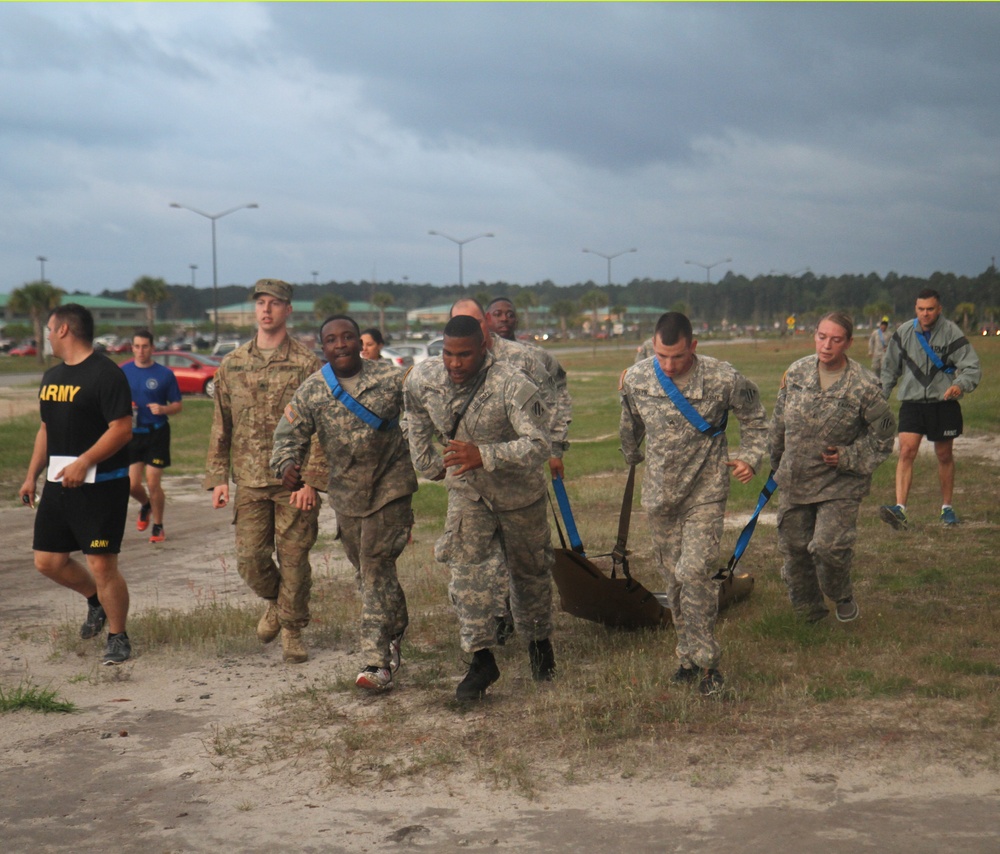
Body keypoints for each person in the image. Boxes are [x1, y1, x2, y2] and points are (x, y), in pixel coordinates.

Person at [403, 315, 556, 701]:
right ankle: (481, 659)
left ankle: (539, 644)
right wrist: (426, 462)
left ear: (483, 349)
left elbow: (540, 443)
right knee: (466, 573)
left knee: (530, 575)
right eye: (448, 354)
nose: (455, 363)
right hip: (469, 493)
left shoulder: (512, 383)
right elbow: (415, 411)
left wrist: (484, 454)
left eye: (465, 355)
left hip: (520, 495)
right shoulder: (425, 379)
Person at [619, 311, 767, 695]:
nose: (668, 366)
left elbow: (754, 417)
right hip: (660, 497)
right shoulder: (637, 378)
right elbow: (630, 426)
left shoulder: (723, 378)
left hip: (705, 492)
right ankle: (685, 655)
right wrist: (630, 454)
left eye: (678, 357)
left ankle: (707, 665)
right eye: (661, 356)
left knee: (693, 573)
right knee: (672, 579)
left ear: (694, 347)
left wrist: (750, 456)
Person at [271, 315, 416, 691]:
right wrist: (287, 465)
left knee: (374, 567)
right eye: (332, 340)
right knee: (369, 572)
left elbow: (429, 407)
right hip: (348, 495)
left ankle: (376, 662)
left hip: (391, 486)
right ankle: (396, 627)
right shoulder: (313, 390)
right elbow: (287, 436)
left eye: (348, 337)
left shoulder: (391, 377)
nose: (340, 345)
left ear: (360, 343)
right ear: (324, 347)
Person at [204, 279, 326, 663]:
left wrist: (311, 480)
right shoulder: (233, 363)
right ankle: (276, 603)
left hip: (293, 481)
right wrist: (218, 478)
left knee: (294, 559)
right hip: (251, 478)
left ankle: (292, 630)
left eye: (275, 303)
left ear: (289, 310)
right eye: (261, 303)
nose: (267, 309)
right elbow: (221, 423)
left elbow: (322, 426)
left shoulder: (308, 364)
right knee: (250, 559)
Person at [18, 304, 134, 665]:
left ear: (65, 329)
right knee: (48, 561)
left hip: (101, 485)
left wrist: (85, 461)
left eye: (50, 329)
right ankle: (95, 601)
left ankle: (118, 636)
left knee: (102, 564)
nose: (47, 335)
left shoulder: (106, 374)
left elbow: (122, 429)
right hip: (58, 483)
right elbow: (46, 429)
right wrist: (31, 475)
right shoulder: (51, 377)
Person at [770, 313, 896, 624]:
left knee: (827, 548)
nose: (826, 345)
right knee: (795, 551)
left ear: (849, 343)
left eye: (835, 339)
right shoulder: (796, 373)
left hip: (839, 483)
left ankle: (841, 592)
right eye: (822, 336)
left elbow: (884, 435)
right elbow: (778, 425)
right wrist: (777, 465)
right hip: (796, 479)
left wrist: (849, 457)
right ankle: (810, 616)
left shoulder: (866, 385)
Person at [879, 289, 981, 528]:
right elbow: (889, 370)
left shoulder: (951, 332)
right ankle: (900, 509)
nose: (925, 314)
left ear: (939, 309)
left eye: (930, 309)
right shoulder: (903, 333)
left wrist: (959, 385)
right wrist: (881, 398)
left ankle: (947, 508)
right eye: (921, 309)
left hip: (943, 404)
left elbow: (972, 367)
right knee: (906, 451)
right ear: (916, 309)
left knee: (944, 455)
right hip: (912, 403)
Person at [485, 297, 572, 478]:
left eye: (510, 315)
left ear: (516, 321)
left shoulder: (536, 356)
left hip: (528, 449)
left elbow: (558, 396)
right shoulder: (474, 359)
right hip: (485, 454)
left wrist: (555, 448)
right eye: (497, 314)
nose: (504, 318)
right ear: (486, 319)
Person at [122, 329, 182, 543]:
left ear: (152, 348)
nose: (140, 351)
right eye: (136, 346)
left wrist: (164, 410)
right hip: (132, 435)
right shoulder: (123, 371)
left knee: (153, 481)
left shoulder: (164, 374)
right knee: (130, 484)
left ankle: (158, 525)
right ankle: (146, 504)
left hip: (156, 433)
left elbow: (177, 405)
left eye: (145, 346)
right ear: (132, 348)